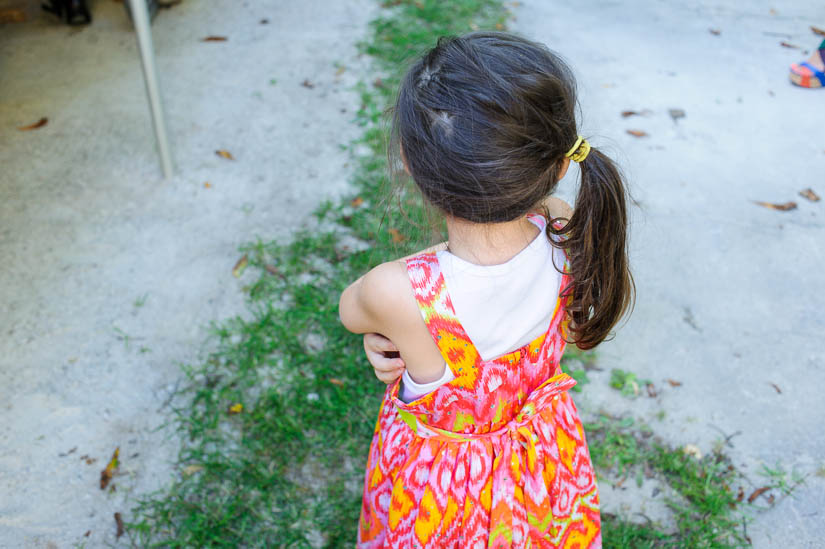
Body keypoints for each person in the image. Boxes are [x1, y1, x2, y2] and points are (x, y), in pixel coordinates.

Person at [339, 32, 633, 548]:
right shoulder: (564, 227)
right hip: (542, 461)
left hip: (440, 494)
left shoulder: (399, 291)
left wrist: (391, 332)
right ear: (561, 165)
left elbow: (352, 312)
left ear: (409, 161)